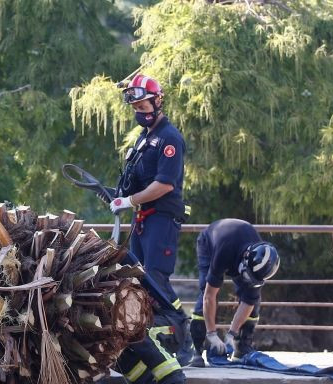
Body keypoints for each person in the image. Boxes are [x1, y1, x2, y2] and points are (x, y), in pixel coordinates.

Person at [109, 73, 189, 384]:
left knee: (156, 278)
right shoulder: (144, 138)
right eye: (134, 106)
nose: (139, 111)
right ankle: (152, 346)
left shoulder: (169, 138)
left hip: (161, 219)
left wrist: (129, 201)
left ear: (157, 101)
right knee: (140, 281)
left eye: (143, 104)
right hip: (142, 218)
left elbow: (164, 184)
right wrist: (121, 198)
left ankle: (184, 338)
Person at [188, 218, 281, 367]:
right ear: (245, 259)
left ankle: (242, 347)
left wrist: (232, 333)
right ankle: (196, 348)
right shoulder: (224, 251)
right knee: (205, 289)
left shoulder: (260, 264)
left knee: (254, 299)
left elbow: (249, 301)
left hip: (237, 252)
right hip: (209, 244)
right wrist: (212, 333)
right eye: (247, 275)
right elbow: (209, 296)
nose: (247, 280)